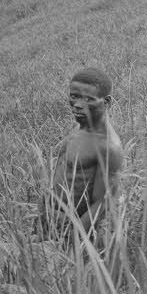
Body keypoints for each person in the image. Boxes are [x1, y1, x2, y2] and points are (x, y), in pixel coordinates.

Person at [42, 67, 124, 240]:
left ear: (107, 102)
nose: (78, 104)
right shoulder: (78, 129)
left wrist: (73, 238)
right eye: (74, 96)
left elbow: (102, 202)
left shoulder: (108, 147)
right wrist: (43, 212)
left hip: (69, 230)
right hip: (50, 220)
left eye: (88, 99)